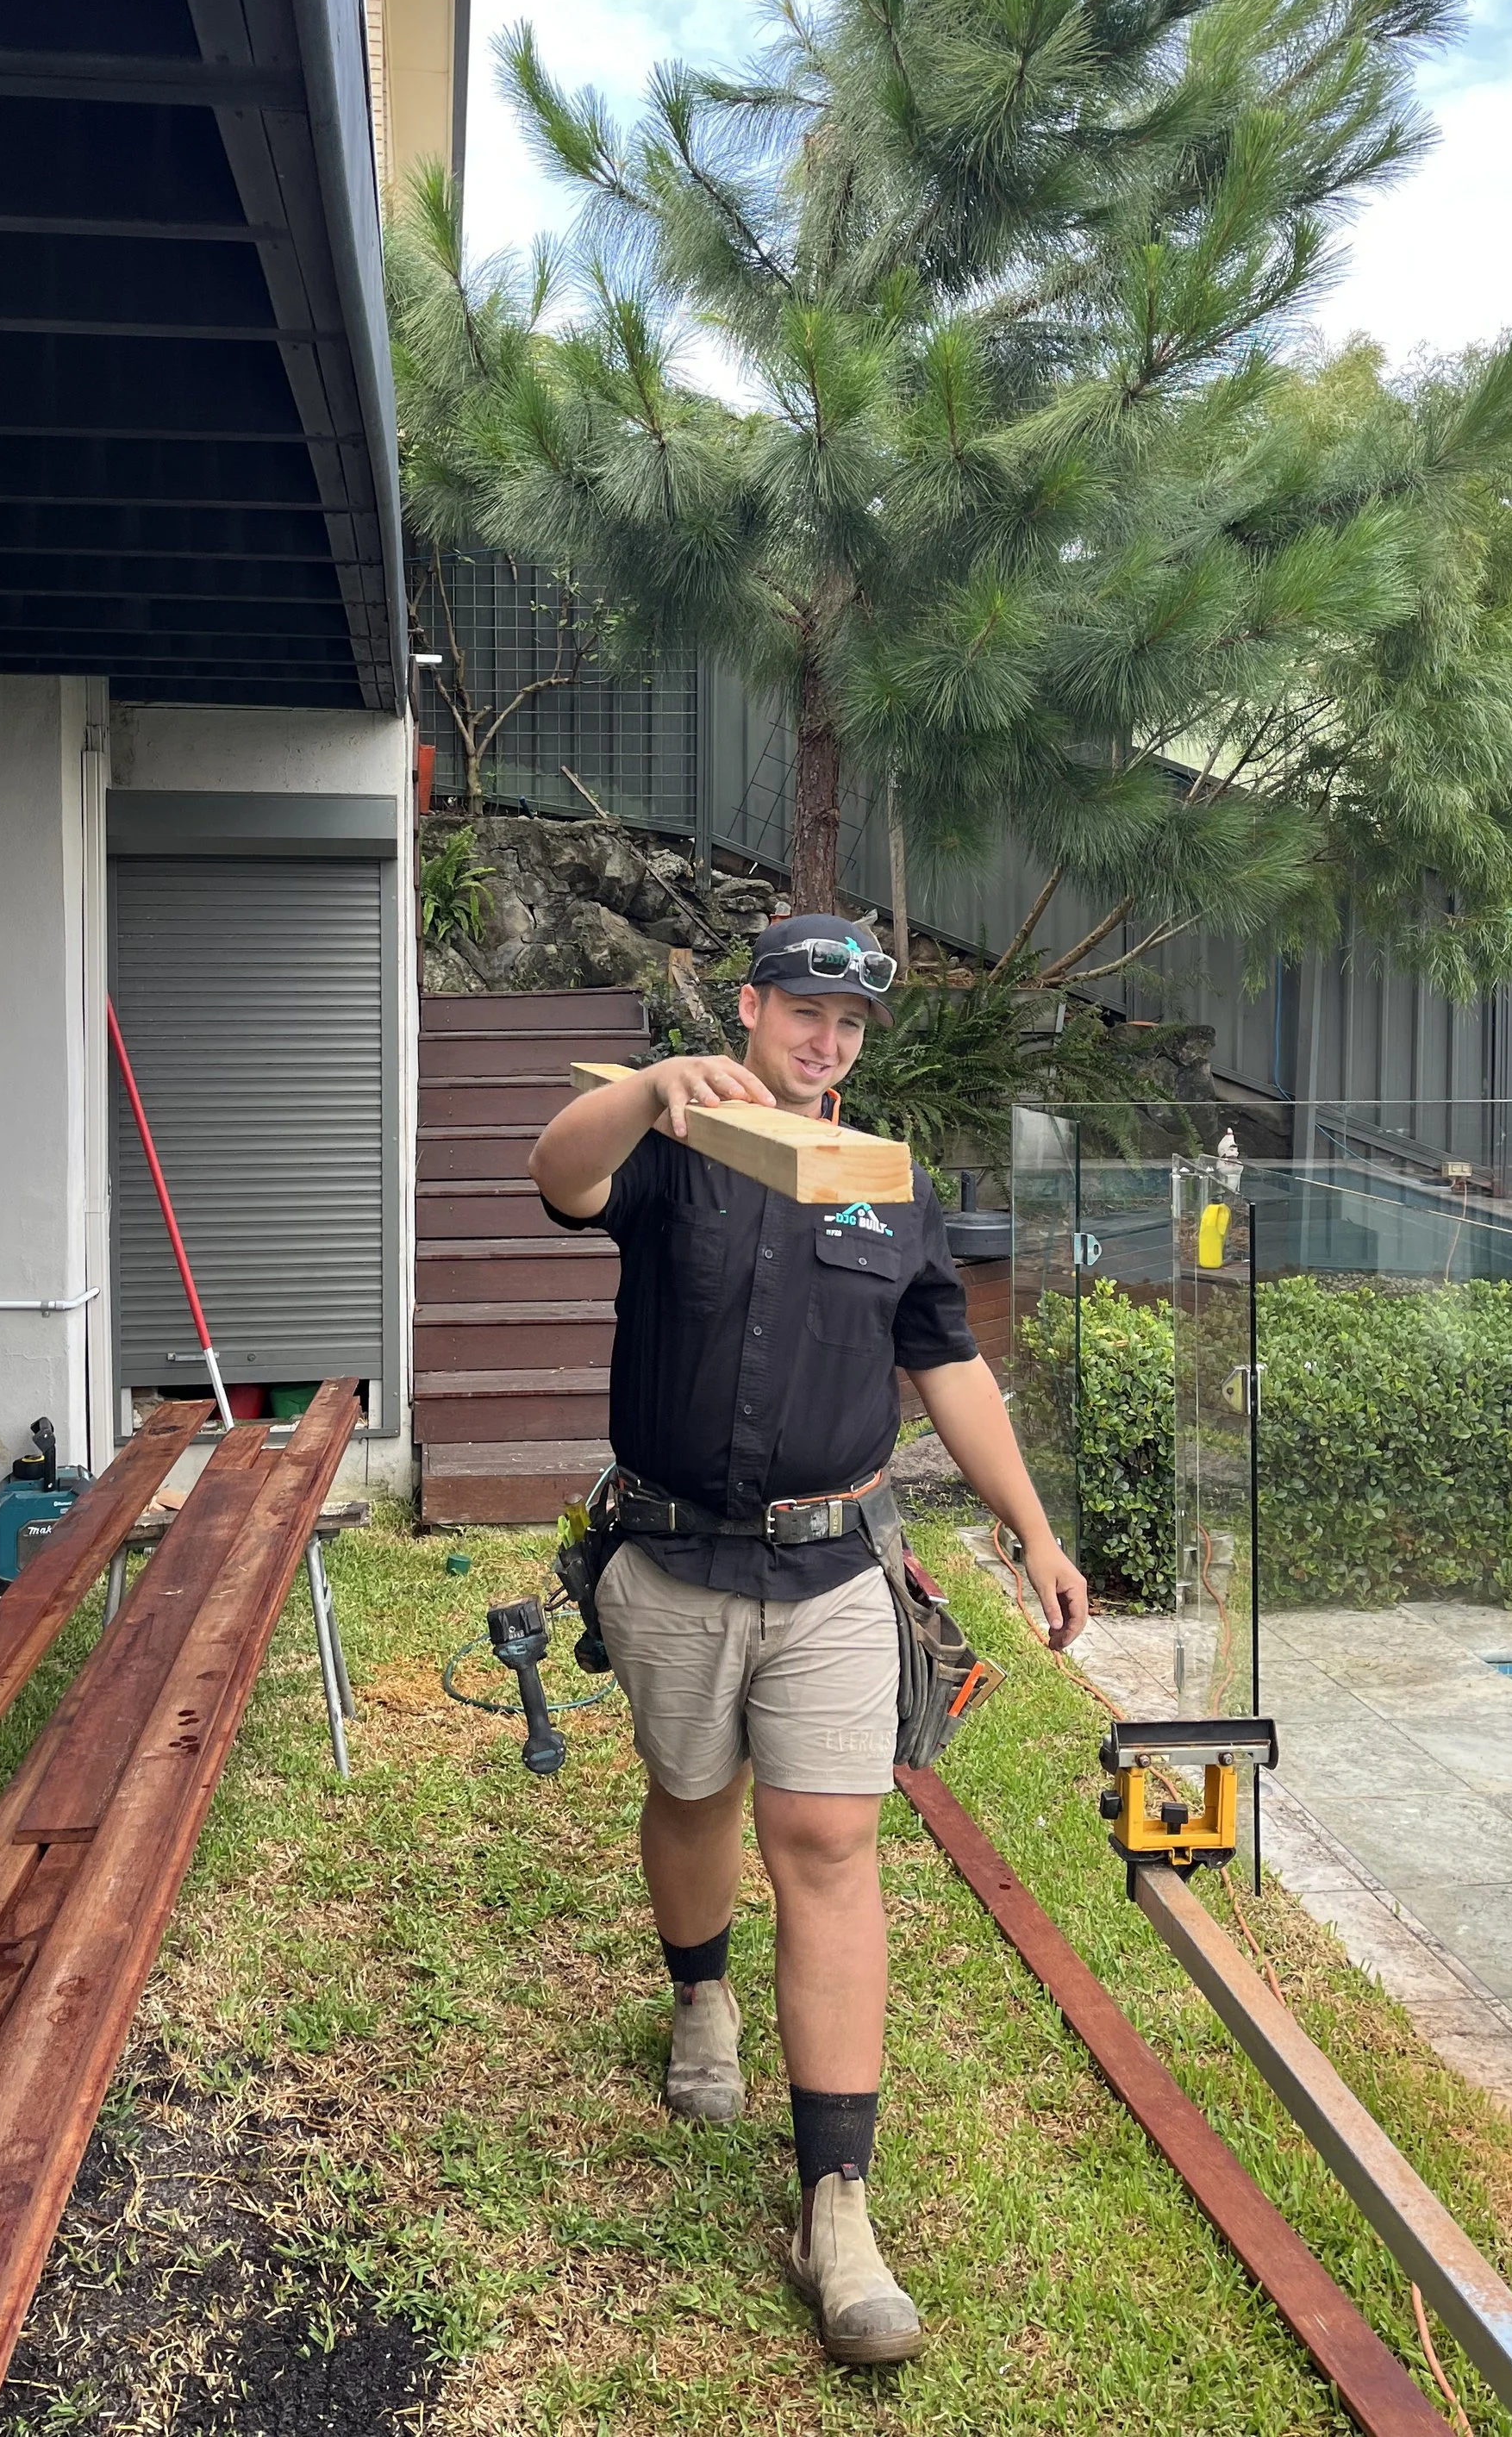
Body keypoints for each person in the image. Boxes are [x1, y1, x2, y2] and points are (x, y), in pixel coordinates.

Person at [528, 915, 1089, 2367]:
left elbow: (947, 1365)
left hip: (835, 1569)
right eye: (803, 1012)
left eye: (848, 1023)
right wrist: (653, 1086)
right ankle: (700, 1996)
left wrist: (1034, 1529)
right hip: (666, 1558)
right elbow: (558, 1173)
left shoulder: (888, 1184)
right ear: (752, 1005)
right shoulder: (676, 1139)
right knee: (690, 1791)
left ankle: (836, 2203)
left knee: (831, 1843)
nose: (826, 1041)